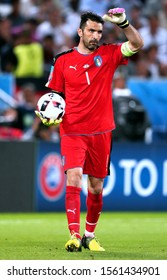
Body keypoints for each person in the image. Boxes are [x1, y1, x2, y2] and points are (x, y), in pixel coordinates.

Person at [36, 8, 144, 252]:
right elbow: (54, 97)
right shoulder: (62, 60)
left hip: (101, 131)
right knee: (73, 176)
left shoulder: (109, 54)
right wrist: (48, 116)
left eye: (99, 31)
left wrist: (124, 24)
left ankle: (89, 234)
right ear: (80, 31)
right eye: (91, 31)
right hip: (72, 130)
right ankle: (73, 235)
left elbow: (137, 43)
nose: (96, 35)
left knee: (96, 187)